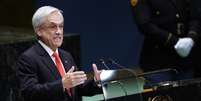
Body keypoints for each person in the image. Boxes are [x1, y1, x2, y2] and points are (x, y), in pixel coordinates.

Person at [14, 6, 102, 101]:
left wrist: (96, 81)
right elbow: (29, 93)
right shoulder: (28, 58)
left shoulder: (66, 55)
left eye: (61, 26)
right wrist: (62, 84)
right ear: (39, 31)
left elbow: (79, 88)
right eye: (53, 27)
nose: (59, 32)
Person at [130, 0, 201, 84]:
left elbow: (195, 17)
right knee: (161, 96)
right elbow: (144, 24)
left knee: (189, 95)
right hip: (159, 61)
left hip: (186, 59)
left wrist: (191, 38)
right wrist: (175, 42)